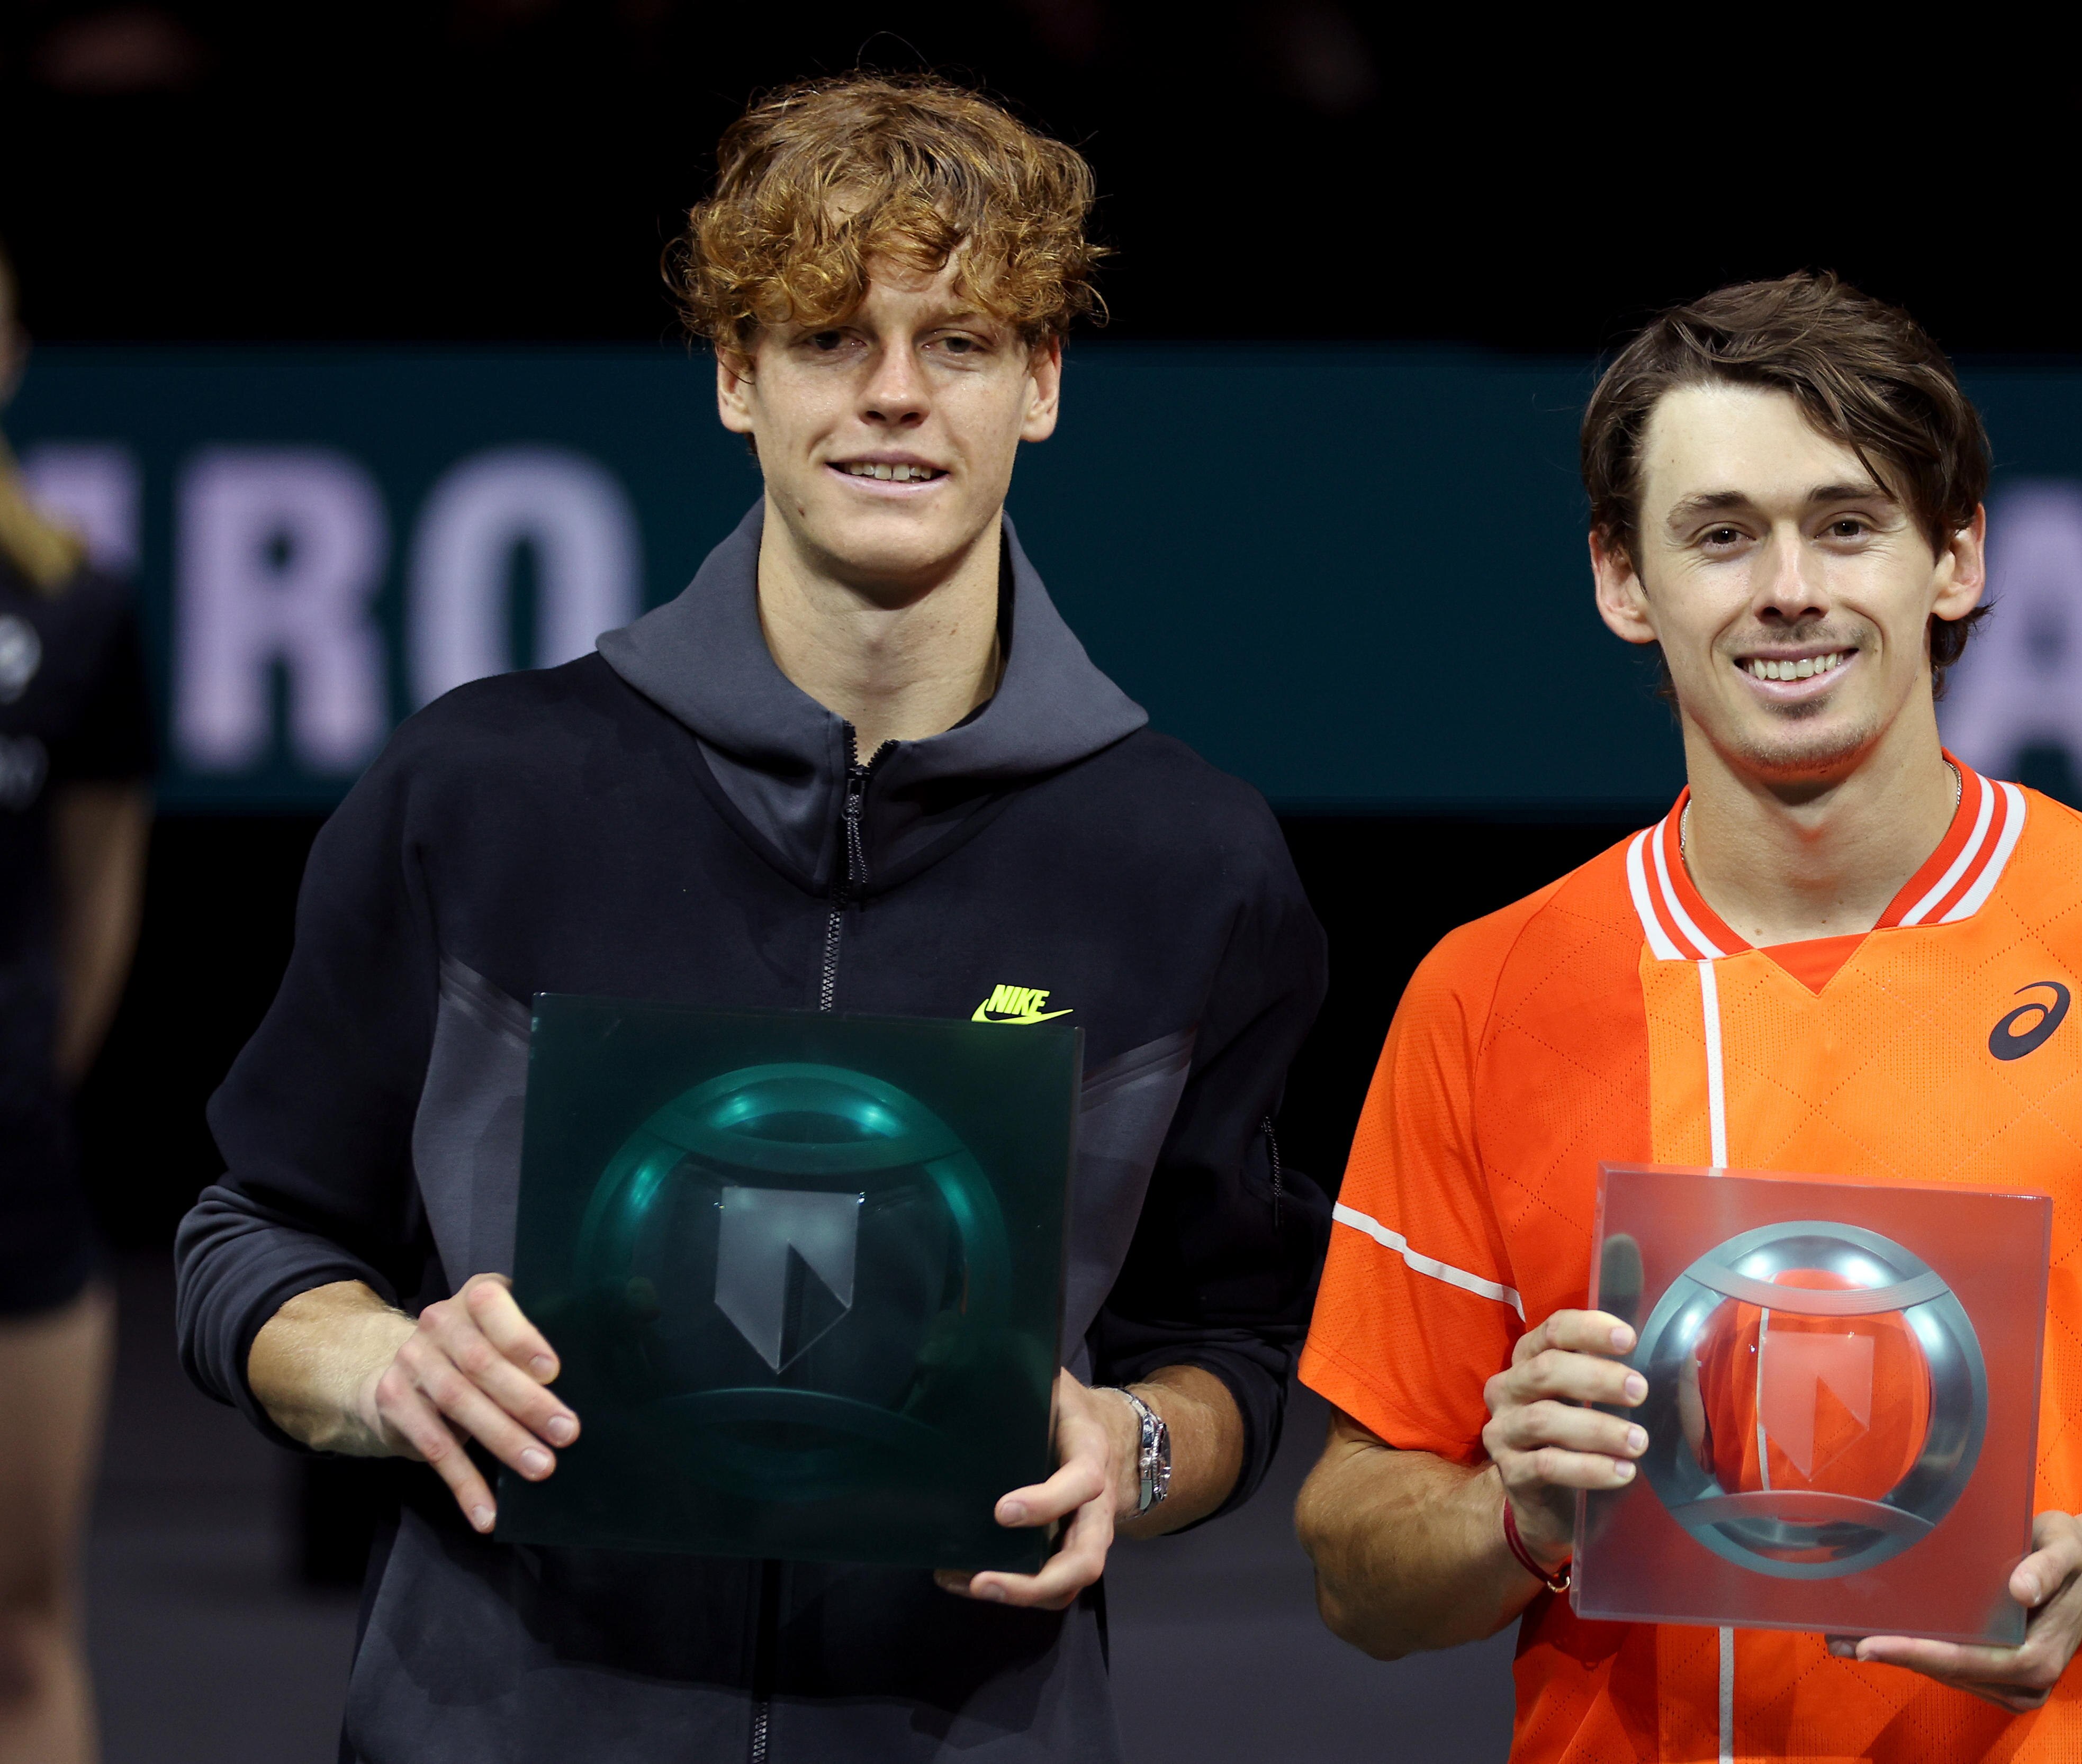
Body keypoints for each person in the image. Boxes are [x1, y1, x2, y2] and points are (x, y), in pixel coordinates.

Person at [174, 75, 1326, 1761]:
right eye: (825, 340)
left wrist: (1137, 1451)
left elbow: (1229, 1343)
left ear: (1045, 386)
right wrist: (382, 1372)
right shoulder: (480, 792)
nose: (894, 400)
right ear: (734, 379)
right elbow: (250, 1239)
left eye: (961, 344)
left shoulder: (1190, 859)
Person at [1292, 273, 2082, 1762]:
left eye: (1847, 524)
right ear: (1622, 582)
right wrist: (1518, 1515)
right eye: (1720, 534)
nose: (1789, 588)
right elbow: (1353, 1566)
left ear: (1954, 558)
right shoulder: (1487, 991)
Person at [0, 237, 155, 1764]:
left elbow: (96, 896)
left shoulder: (79, 611)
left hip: (13, 1183)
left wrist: (26, 1080)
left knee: (23, 1641)